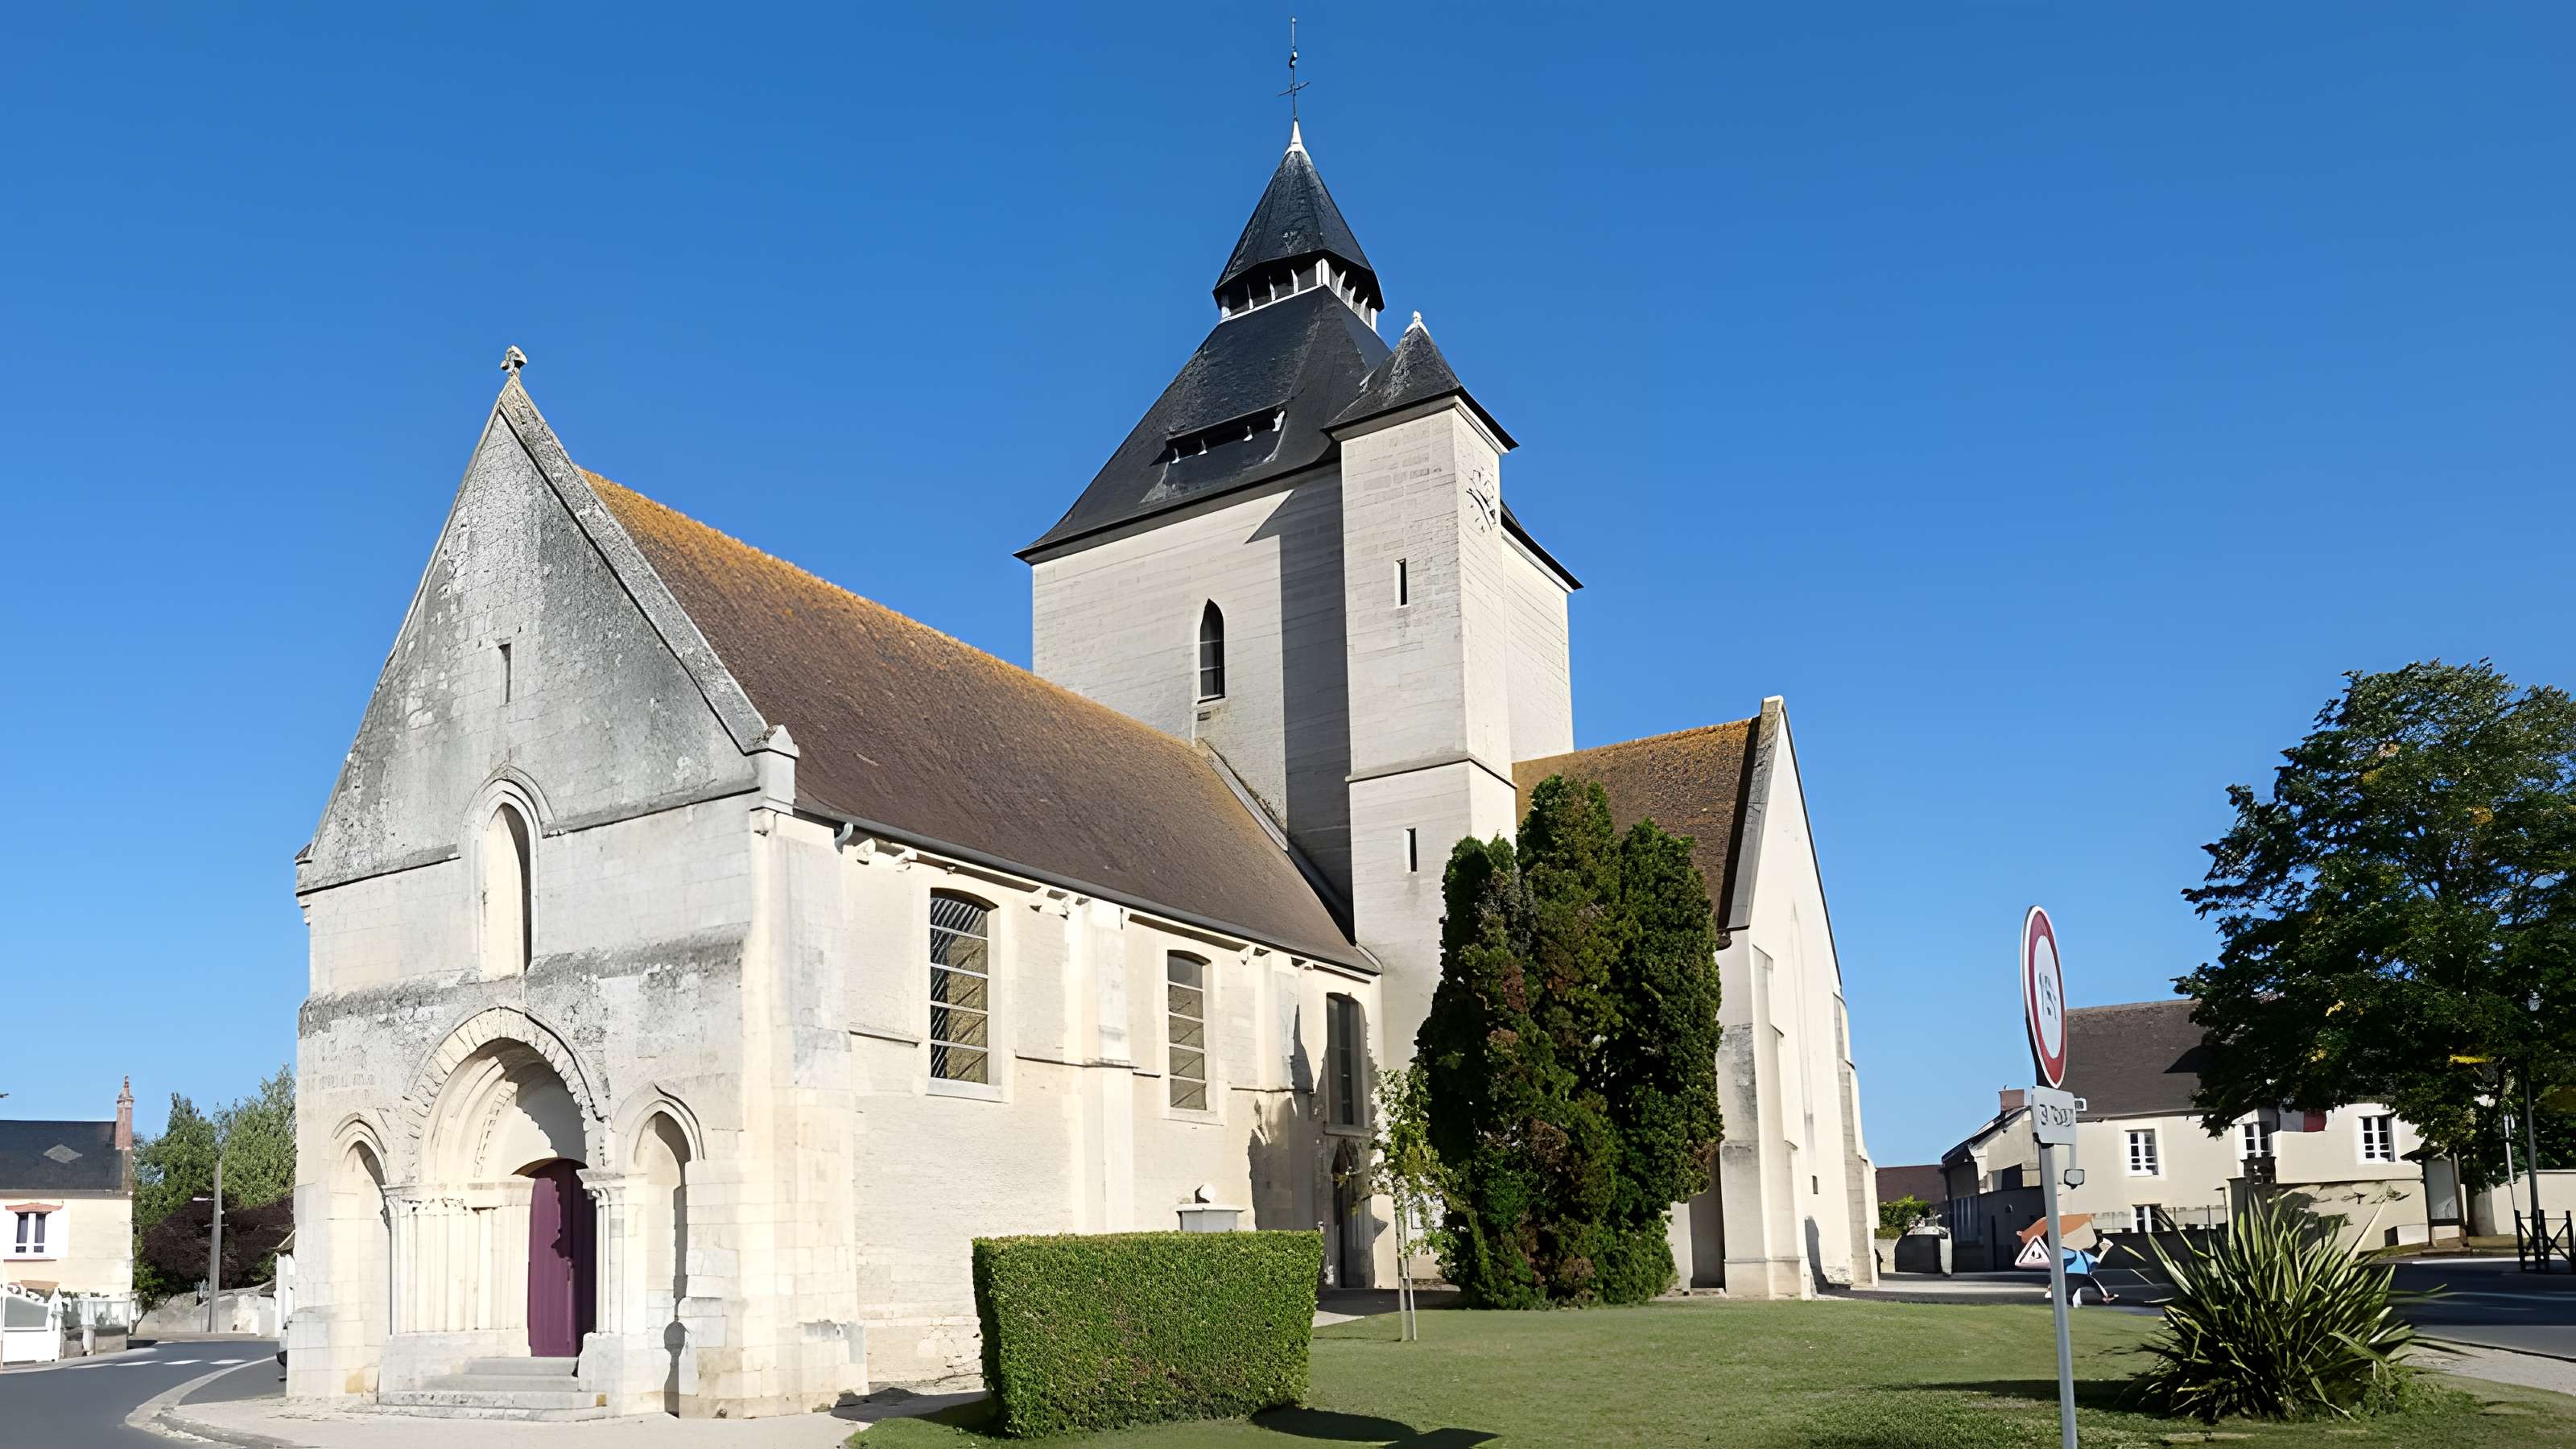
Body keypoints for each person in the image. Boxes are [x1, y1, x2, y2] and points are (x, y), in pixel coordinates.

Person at [2061, 1242, 2119, 1307]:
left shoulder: (2063, 1252)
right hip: (2080, 1280)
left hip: (2066, 1283)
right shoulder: (2089, 1258)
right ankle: (2106, 1297)